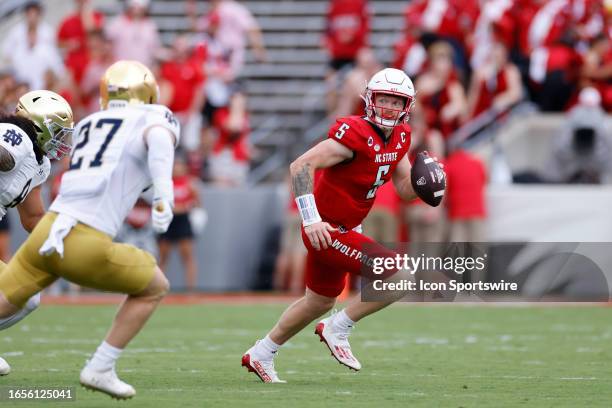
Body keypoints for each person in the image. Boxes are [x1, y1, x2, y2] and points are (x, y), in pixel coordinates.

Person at [0, 60, 180, 399]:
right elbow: (157, 139)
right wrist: (163, 193)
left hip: (50, 230)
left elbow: (33, 217)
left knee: (21, 299)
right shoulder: (155, 118)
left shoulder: (89, 126)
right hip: (82, 235)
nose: (62, 139)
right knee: (155, 286)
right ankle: (101, 366)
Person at [242, 68, 429, 382]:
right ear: (369, 99)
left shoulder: (401, 137)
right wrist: (311, 219)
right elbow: (300, 165)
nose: (388, 107)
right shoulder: (355, 134)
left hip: (346, 228)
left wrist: (429, 185)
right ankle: (337, 327)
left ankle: (261, 353)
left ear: (406, 107)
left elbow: (405, 190)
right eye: (383, 98)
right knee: (400, 277)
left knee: (318, 301)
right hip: (326, 229)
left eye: (396, 102)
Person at [0, 90, 74, 375]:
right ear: (42, 125)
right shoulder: (12, 136)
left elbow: (33, 217)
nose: (63, 140)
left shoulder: (39, 163)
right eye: (59, 131)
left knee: (28, 296)